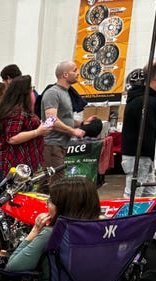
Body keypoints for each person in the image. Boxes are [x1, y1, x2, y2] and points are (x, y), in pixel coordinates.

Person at [40, 61, 99, 191]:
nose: (78, 73)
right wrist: (73, 131)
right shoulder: (53, 93)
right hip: (52, 145)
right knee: (55, 184)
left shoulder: (66, 93)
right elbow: (51, 120)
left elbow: (64, 119)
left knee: (51, 184)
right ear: (65, 74)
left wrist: (83, 124)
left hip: (59, 145)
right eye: (75, 70)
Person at [121, 59, 156, 198]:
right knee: (134, 194)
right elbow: (148, 134)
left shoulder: (144, 98)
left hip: (143, 155)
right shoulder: (145, 101)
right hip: (138, 156)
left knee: (147, 193)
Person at [0, 75, 48, 178]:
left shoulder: (21, 111)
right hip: (17, 164)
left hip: (24, 163)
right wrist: (38, 132)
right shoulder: (17, 112)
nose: (32, 93)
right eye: (30, 89)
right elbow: (12, 138)